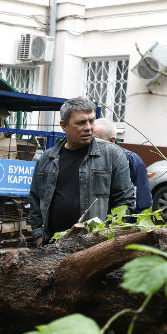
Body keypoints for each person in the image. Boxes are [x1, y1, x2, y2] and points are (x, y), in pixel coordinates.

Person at [28, 97, 135, 246]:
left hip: (94, 247)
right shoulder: (48, 158)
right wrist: (39, 237)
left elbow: (125, 202)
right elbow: (35, 200)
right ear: (64, 126)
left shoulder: (112, 155)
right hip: (52, 246)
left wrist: (108, 240)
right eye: (80, 122)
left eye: (91, 121)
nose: (88, 127)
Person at [93, 117, 152, 213]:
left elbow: (142, 200)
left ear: (112, 141)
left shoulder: (131, 160)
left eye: (97, 141)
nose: (92, 145)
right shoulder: (88, 159)